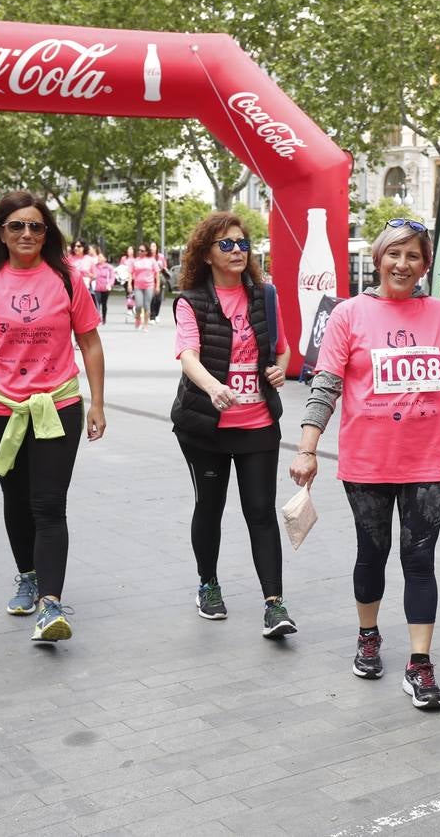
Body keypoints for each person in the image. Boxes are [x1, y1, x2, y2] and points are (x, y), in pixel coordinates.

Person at [289, 218, 440, 710]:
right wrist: (307, 448)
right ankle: (368, 635)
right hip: (366, 463)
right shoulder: (348, 314)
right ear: (377, 259)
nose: (402, 263)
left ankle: (420, 665)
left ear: (424, 264)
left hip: (426, 463)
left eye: (413, 255)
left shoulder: (439, 315)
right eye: (394, 254)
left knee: (419, 561)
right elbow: (326, 386)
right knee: (372, 555)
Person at [0, 190, 106, 643]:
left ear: (47, 232)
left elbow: (90, 344)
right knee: (16, 502)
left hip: (59, 406)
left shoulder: (68, 280)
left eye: (36, 226)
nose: (27, 233)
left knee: (49, 505)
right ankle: (27, 576)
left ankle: (50, 604)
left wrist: (97, 402)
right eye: (17, 225)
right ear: (1, 232)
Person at [171, 212, 295, 638]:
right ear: (207, 254)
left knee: (260, 511)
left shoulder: (265, 295)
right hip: (205, 426)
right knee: (210, 507)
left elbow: (283, 349)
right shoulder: (191, 301)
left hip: (258, 424)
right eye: (226, 244)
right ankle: (208, 584)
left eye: (242, 243)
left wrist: (278, 371)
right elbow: (188, 355)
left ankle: (274, 604)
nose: (238, 250)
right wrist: (212, 387)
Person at [128, 244, 158, 330]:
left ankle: (145, 324)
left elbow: (157, 274)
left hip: (149, 285)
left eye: (142, 250)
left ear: (146, 252)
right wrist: (129, 284)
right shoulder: (135, 261)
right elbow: (130, 273)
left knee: (147, 305)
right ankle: (138, 318)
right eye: (139, 250)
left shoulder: (152, 260)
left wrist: (157, 286)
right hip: (138, 286)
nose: (139, 252)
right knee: (138, 305)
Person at [92, 249, 116, 324]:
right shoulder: (94, 266)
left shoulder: (109, 267)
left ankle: (104, 317)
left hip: (106, 288)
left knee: (104, 303)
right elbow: (92, 275)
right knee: (97, 303)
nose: (99, 259)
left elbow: (112, 277)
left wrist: (110, 284)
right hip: (97, 288)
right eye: (98, 257)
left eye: (101, 257)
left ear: (105, 259)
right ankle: (97, 317)